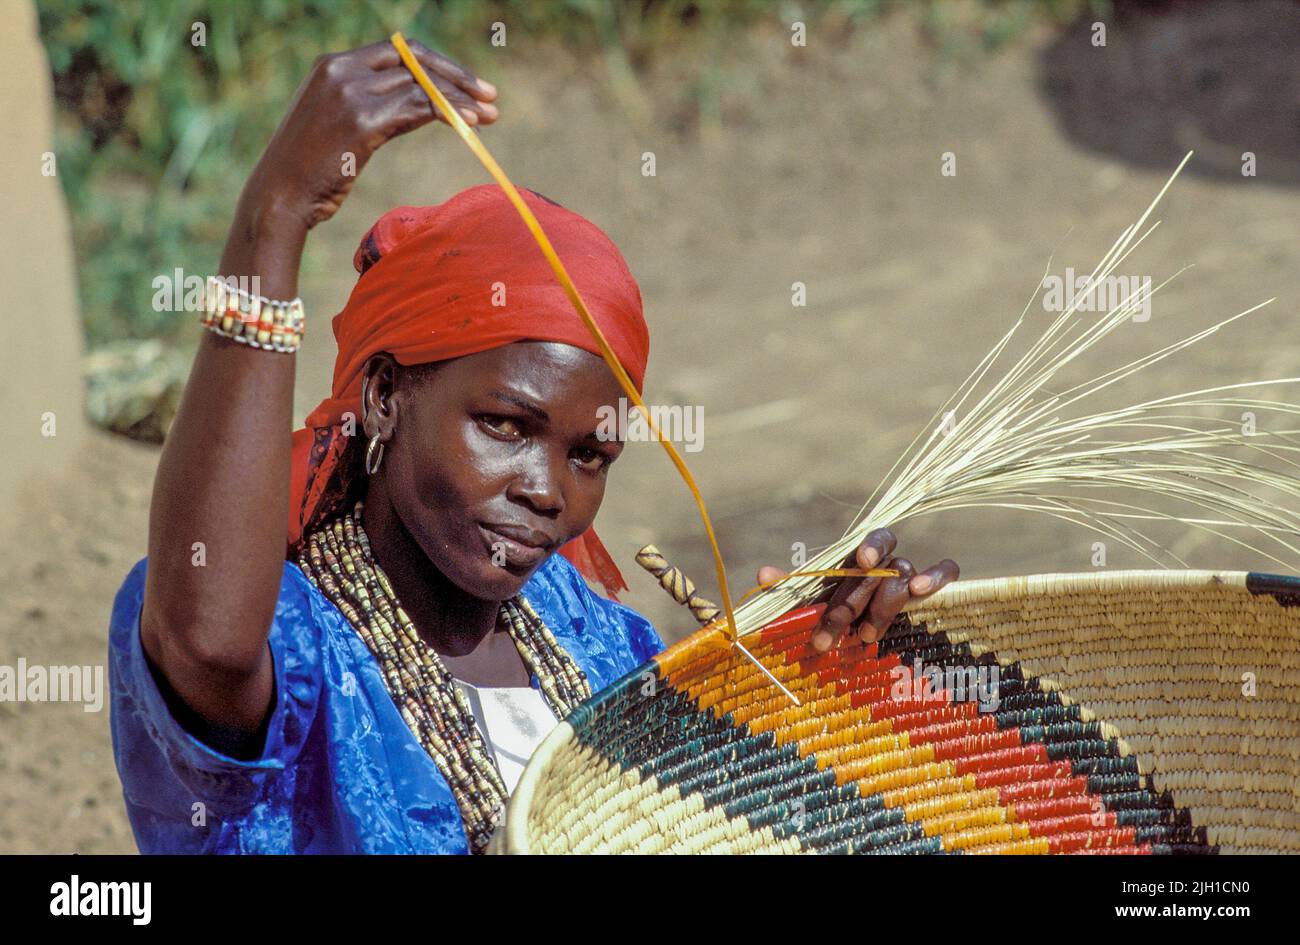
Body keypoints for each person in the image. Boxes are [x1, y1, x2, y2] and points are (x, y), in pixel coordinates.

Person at [107, 40, 960, 854]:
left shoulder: (600, 649)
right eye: (506, 427)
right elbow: (208, 642)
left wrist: (824, 676)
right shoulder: (297, 655)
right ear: (384, 397)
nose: (548, 490)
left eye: (590, 456)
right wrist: (273, 217)